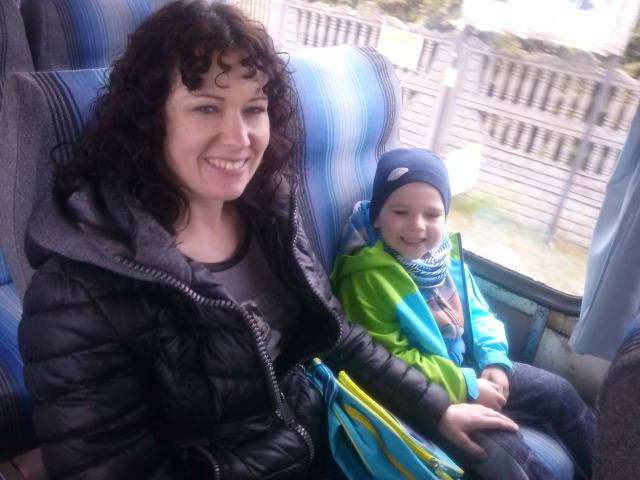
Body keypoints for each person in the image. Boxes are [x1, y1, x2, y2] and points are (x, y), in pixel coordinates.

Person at [18, 2, 519, 478]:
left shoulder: (269, 213)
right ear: (150, 121)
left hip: (324, 438)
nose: (240, 139)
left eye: (253, 108)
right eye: (206, 107)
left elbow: (337, 335)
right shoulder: (79, 290)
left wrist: (435, 408)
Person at [331, 147, 596, 479]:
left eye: (432, 215)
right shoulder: (368, 277)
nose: (417, 226)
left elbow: (478, 312)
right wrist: (467, 385)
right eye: (400, 212)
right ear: (376, 217)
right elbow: (392, 359)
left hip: (471, 365)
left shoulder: (443, 258)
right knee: (516, 459)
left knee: (560, 393)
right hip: (427, 390)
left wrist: (494, 361)